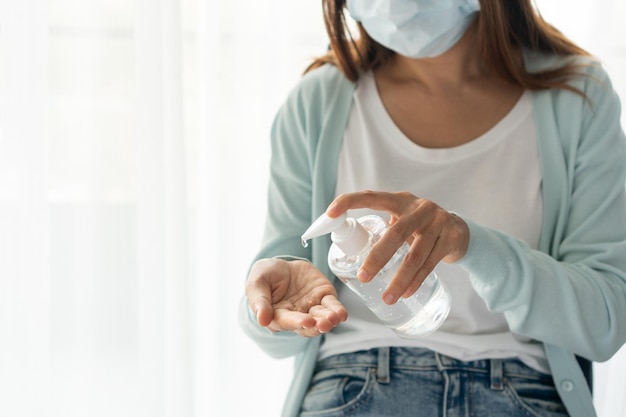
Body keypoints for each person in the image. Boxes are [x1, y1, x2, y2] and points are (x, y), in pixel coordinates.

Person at [239, 0, 626, 416]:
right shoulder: (316, 103)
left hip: (521, 392)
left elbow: (605, 322)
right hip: (352, 387)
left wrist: (471, 245)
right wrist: (267, 304)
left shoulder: (577, 96)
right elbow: (271, 325)